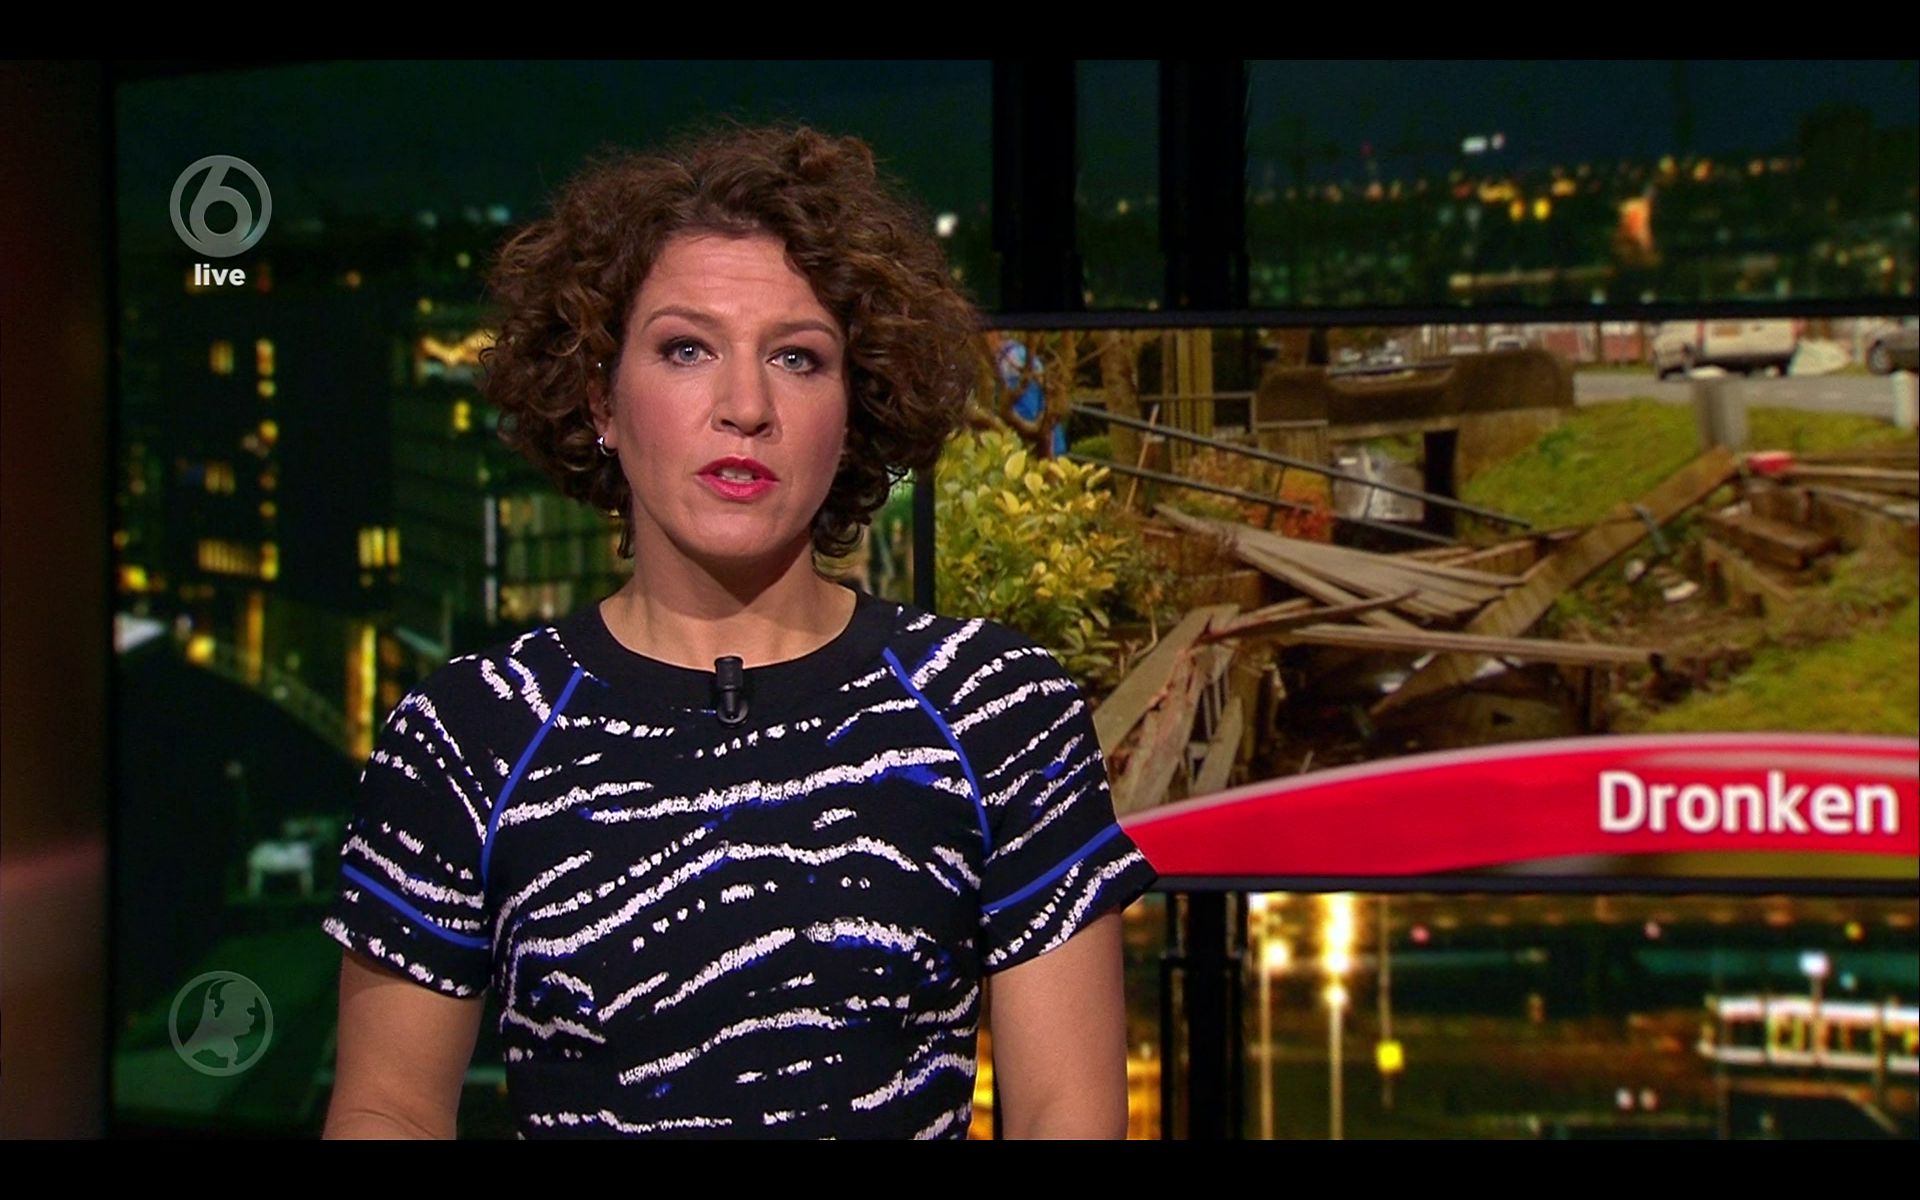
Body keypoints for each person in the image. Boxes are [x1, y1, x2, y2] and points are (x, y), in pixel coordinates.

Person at [320, 124, 1159, 1140]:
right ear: (600, 399)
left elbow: (1068, 1113)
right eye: (687, 350)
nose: (746, 407)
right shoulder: (473, 732)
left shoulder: (995, 710)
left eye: (798, 358)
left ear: (854, 408)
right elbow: (388, 1108)